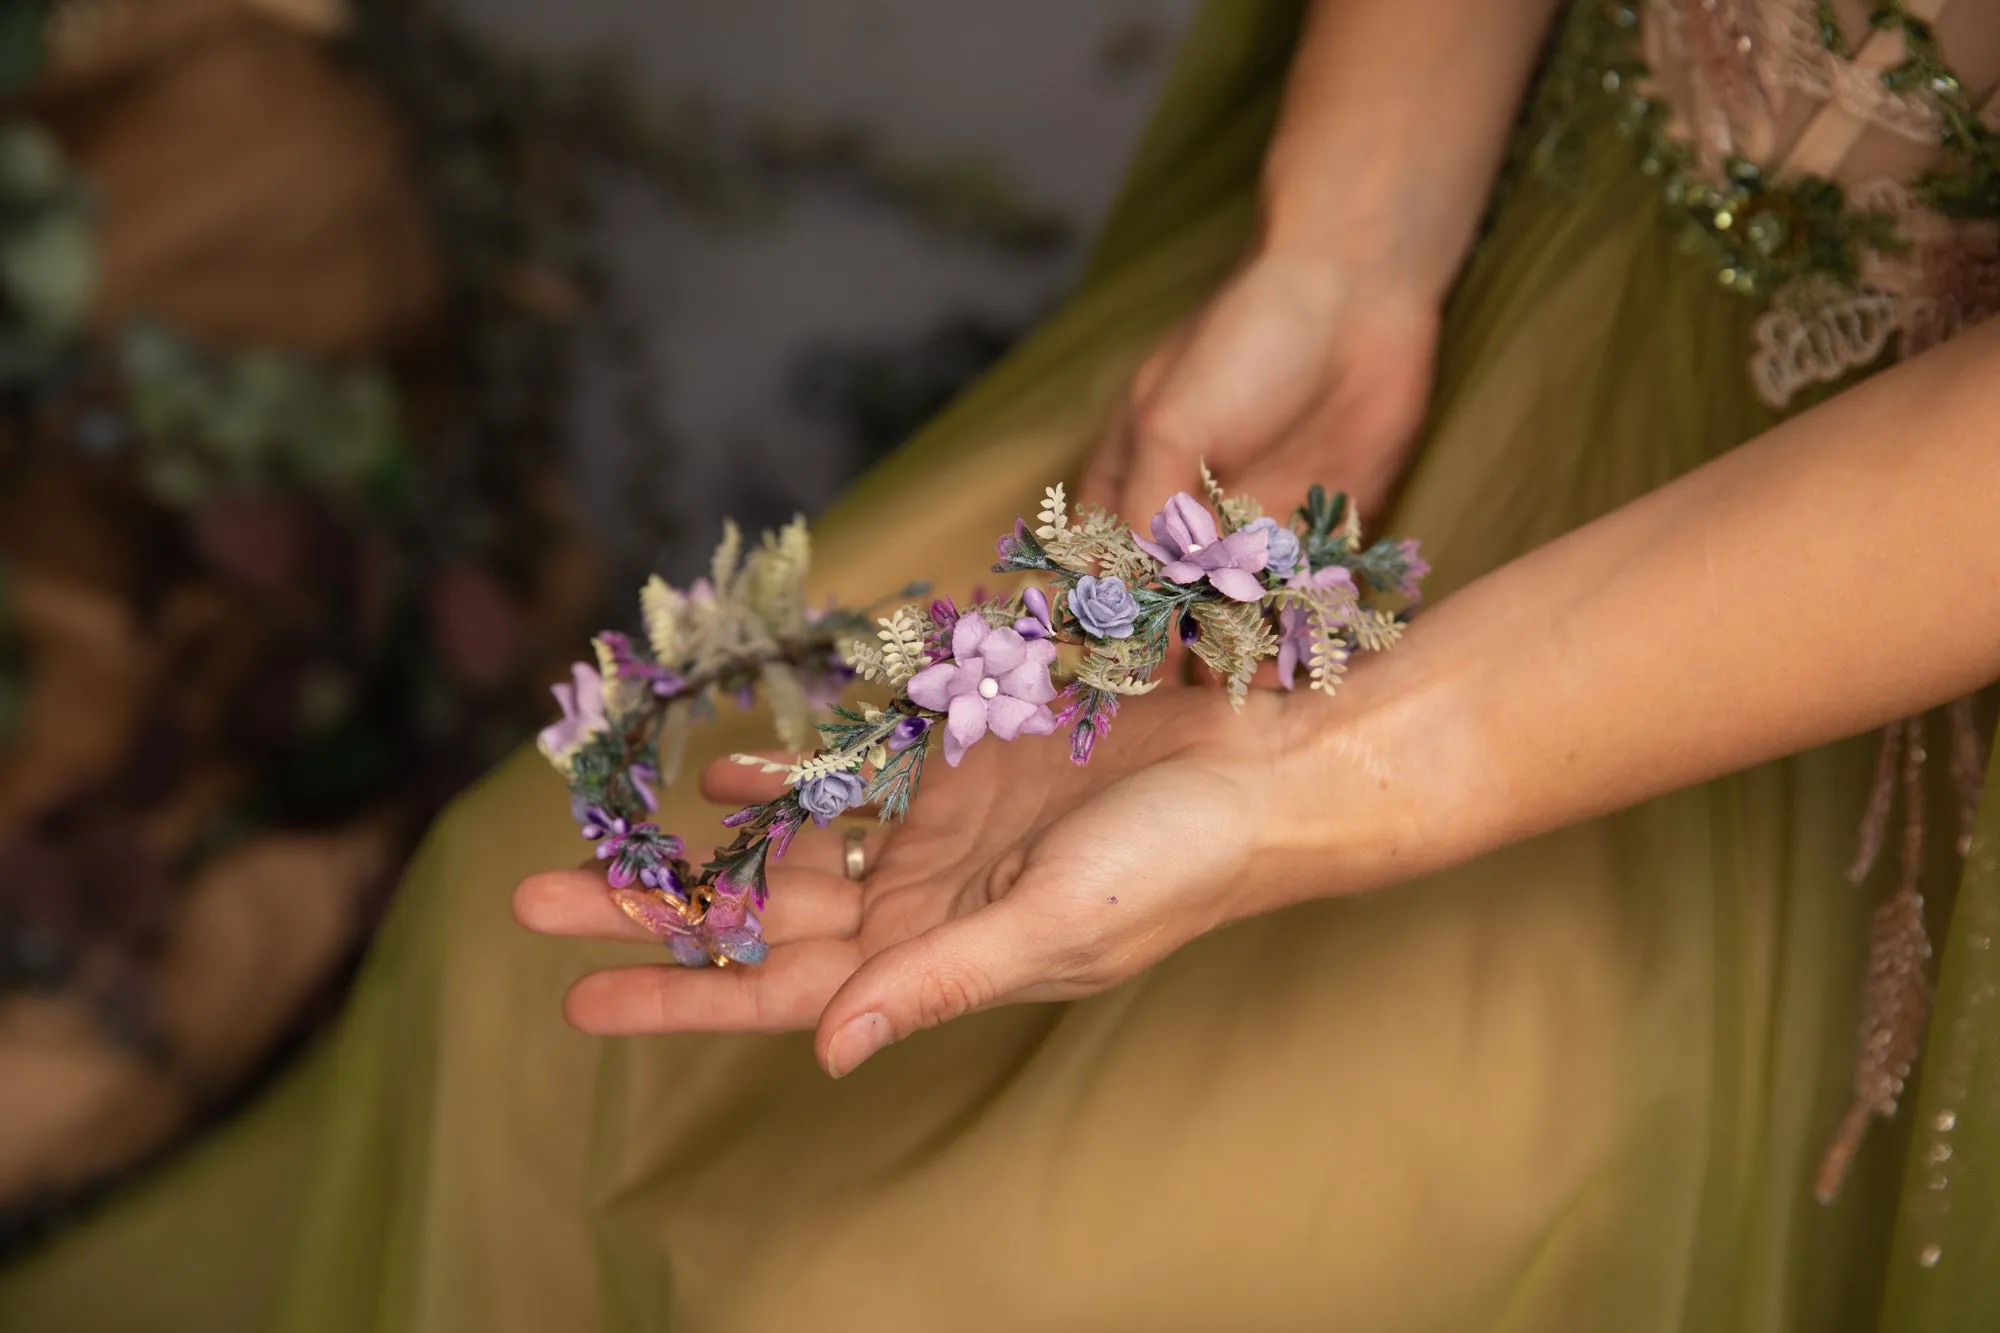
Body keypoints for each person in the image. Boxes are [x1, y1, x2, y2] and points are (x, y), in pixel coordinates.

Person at [4, 1, 1996, 1330]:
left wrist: (1332, 781)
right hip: (1456, 282)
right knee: (519, 950)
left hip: (1844, 597)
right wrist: (1347, 240)